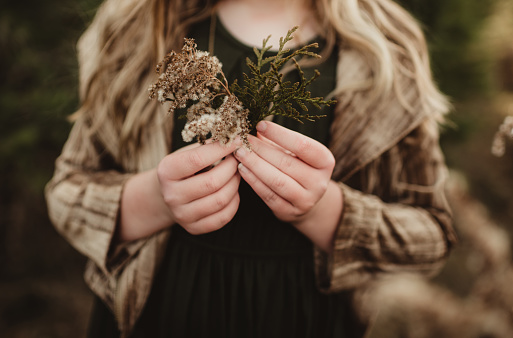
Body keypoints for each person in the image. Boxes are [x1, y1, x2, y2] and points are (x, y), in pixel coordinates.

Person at [45, 0, 457, 337]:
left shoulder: (388, 46)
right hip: (157, 313)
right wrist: (154, 200)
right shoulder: (139, 22)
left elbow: (432, 235)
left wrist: (326, 212)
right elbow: (66, 191)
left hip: (309, 319)